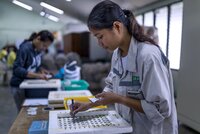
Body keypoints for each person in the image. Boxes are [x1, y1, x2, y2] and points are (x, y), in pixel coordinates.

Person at [70, 1, 178, 134]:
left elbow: (160, 109)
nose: (100, 43)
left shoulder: (148, 57)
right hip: (128, 126)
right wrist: (89, 104)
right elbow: (110, 87)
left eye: (100, 37)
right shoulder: (117, 53)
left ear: (117, 27)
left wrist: (119, 99)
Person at [10, 30, 54, 111]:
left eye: (46, 47)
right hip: (19, 85)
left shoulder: (37, 50)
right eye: (44, 45)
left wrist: (42, 70)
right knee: (23, 111)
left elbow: (34, 65)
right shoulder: (25, 49)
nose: (44, 48)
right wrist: (38, 75)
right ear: (38, 38)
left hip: (27, 84)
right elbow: (17, 69)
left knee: (31, 109)